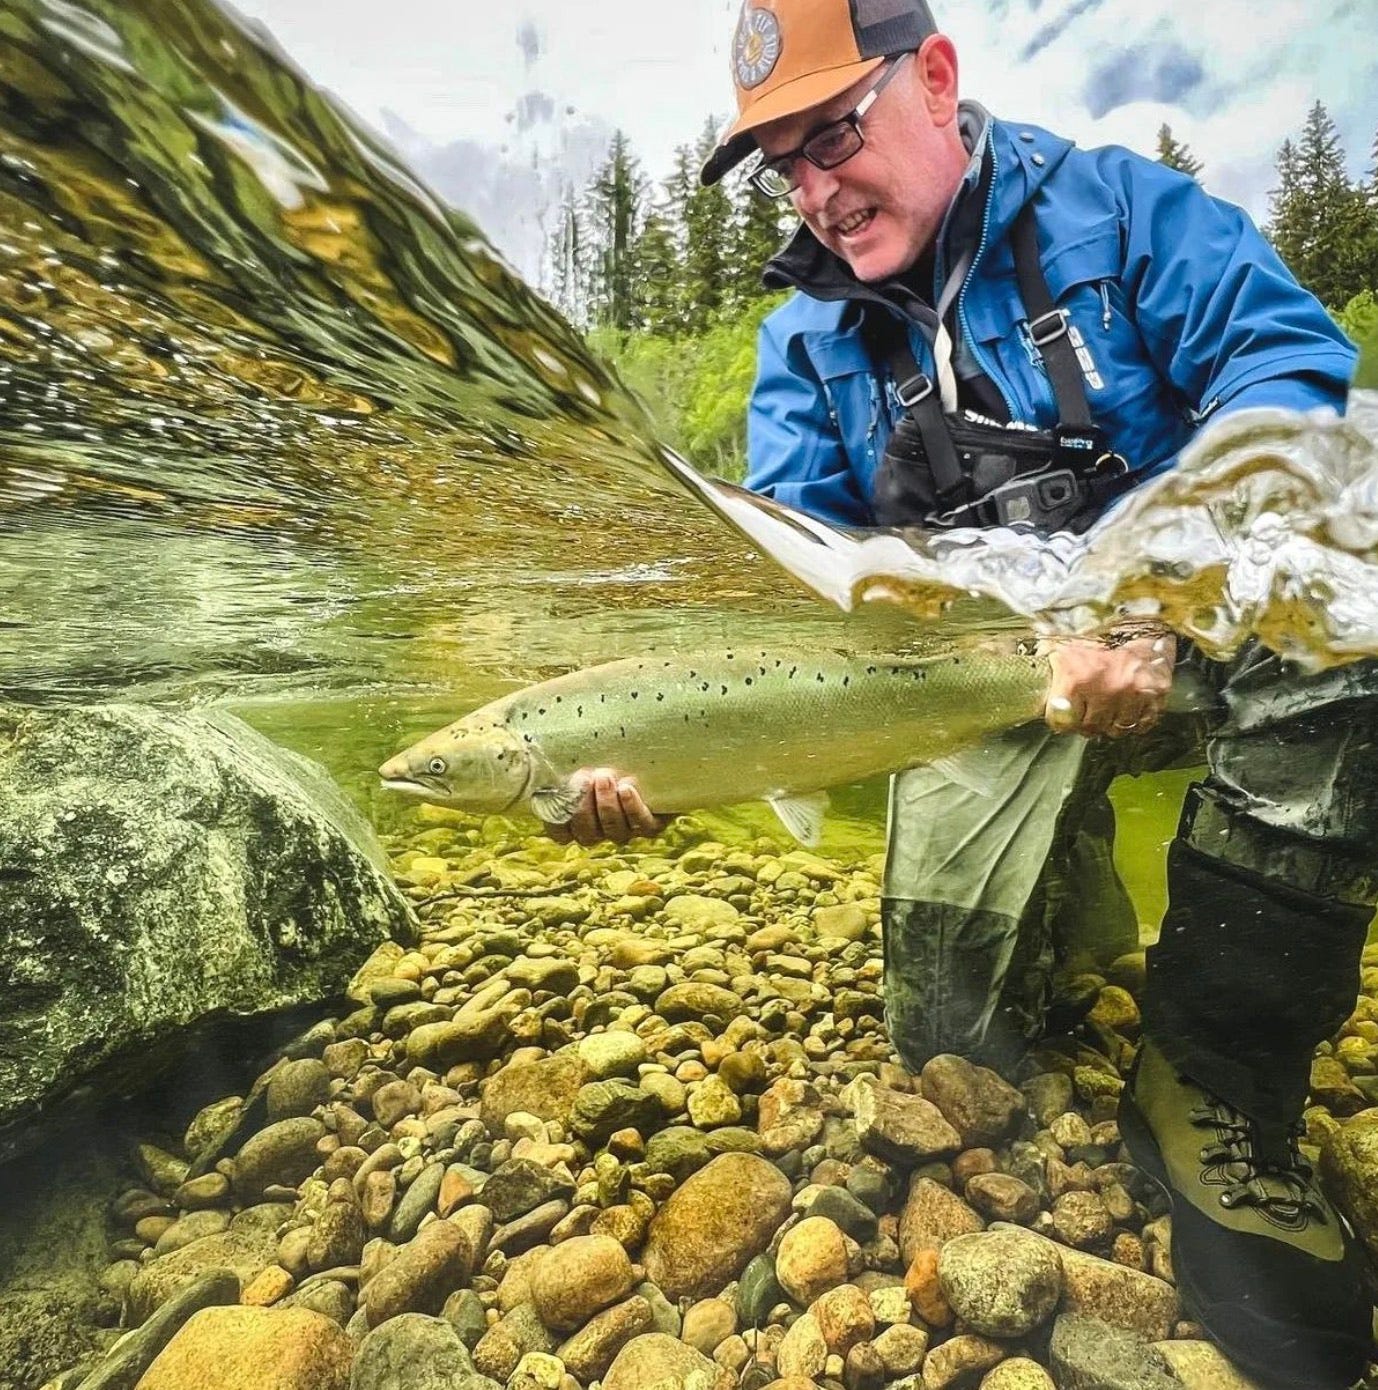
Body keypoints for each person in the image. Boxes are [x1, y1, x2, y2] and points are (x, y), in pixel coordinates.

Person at [550, 1, 1377, 1384]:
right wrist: (664, 762)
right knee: (954, 1048)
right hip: (987, 695)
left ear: (934, 78)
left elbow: (1291, 376)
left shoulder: (1119, 211)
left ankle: (1215, 1077)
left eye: (832, 134)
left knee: (1362, 563)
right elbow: (784, 621)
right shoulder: (799, 355)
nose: (814, 190)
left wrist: (1153, 590)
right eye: (783, 164)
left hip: (1208, 641)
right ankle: (1075, 903)